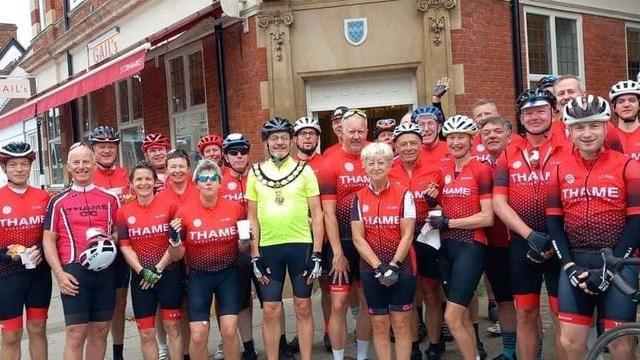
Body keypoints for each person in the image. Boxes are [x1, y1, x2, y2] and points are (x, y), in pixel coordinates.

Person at [546, 95, 640, 359]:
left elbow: (637, 222)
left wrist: (611, 269)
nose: (587, 134)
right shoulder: (557, 169)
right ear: (569, 131)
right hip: (576, 261)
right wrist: (569, 266)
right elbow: (553, 223)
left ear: (606, 126)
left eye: (594, 126)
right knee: (570, 341)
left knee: (621, 346)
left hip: (619, 261)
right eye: (579, 127)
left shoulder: (628, 166)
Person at [493, 88, 566, 360]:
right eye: (528, 112)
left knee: (562, 316)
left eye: (540, 110)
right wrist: (530, 235)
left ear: (553, 112)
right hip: (524, 244)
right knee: (525, 312)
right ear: (521, 118)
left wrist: (552, 237)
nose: (534, 117)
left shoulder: (568, 147)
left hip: (561, 243)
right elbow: (500, 203)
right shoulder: (509, 153)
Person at [246, 117, 324, 360]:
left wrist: (317, 254)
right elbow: (252, 216)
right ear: (266, 143)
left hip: (301, 245)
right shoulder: (255, 172)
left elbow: (318, 213)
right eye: (274, 138)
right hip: (269, 247)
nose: (279, 142)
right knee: (270, 309)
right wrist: (254, 254)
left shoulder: (305, 170)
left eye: (283, 138)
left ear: (291, 141)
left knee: (303, 306)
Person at [43, 142, 120, 360]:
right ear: (68, 167)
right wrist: (59, 274)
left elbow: (118, 232)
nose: (81, 166)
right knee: (75, 333)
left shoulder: (110, 198)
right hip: (74, 273)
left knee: (100, 330)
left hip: (105, 272)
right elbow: (48, 239)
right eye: (76, 162)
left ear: (94, 165)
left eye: (86, 161)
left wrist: (109, 240)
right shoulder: (58, 201)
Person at [429, 115, 493, 360]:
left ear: (471, 139)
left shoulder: (481, 169)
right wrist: (431, 201)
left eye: (461, 137)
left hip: (471, 245)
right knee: (462, 315)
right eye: (452, 137)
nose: (455, 142)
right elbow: (440, 207)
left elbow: (487, 217)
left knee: (452, 316)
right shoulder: (443, 168)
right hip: (446, 246)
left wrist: (450, 222)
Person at [168, 160, 246, 360]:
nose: (209, 182)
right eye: (203, 178)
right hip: (197, 277)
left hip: (227, 275)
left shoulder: (235, 208)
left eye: (213, 178)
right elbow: (177, 256)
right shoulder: (184, 212)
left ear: (220, 182)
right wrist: (174, 241)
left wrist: (246, 240)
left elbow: (242, 248)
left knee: (229, 330)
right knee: (198, 335)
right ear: (197, 184)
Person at [351, 142, 417, 360]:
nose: (376, 167)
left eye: (381, 162)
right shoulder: (358, 197)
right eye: (371, 163)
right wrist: (379, 267)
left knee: (400, 323)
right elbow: (358, 238)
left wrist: (394, 265)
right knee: (379, 324)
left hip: (403, 266)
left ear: (390, 165)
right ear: (364, 166)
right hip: (371, 269)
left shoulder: (404, 193)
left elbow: (408, 234)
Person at [319, 109, 373, 360]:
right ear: (341, 131)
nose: (356, 136)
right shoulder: (330, 161)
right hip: (340, 240)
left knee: (366, 302)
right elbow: (328, 213)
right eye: (351, 131)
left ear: (366, 131)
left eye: (361, 131)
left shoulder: (375, 155)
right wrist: (338, 253)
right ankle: (339, 357)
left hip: (370, 241)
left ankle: (361, 356)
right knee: (339, 303)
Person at [387, 122, 443, 360]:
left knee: (431, 291)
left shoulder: (435, 169)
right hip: (400, 238)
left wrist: (433, 201)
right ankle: (411, 345)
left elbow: (443, 207)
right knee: (407, 294)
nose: (408, 147)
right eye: (403, 143)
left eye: (413, 143)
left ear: (421, 144)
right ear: (396, 147)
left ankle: (435, 343)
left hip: (427, 235)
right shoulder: (389, 171)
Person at [117, 162, 183, 360]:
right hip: (141, 278)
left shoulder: (170, 206)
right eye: (139, 179)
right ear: (131, 183)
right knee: (146, 332)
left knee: (173, 327)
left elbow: (176, 242)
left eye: (148, 179)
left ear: (155, 182)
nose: (144, 183)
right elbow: (125, 246)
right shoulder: (124, 212)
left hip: (168, 273)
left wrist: (158, 268)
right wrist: (141, 271)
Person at [0, 142, 51, 360]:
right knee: (11, 334)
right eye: (13, 165)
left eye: (24, 164)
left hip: (38, 273)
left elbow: (52, 234)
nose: (19, 169)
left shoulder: (44, 197)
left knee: (38, 327)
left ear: (30, 166)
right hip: (6, 274)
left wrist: (41, 248)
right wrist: (4, 256)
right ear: (4, 168)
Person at [88, 125, 130, 360]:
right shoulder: (86, 174)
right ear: (93, 149)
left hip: (122, 247)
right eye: (101, 146)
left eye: (111, 146)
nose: (106, 150)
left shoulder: (126, 175)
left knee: (119, 303)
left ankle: (118, 353)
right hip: (95, 248)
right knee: (98, 306)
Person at [478, 117, 518, 359]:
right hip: (493, 245)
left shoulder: (520, 162)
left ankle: (534, 353)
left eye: (497, 131)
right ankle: (510, 351)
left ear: (509, 135)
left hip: (519, 243)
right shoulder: (480, 167)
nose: (491, 136)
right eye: (486, 133)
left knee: (526, 306)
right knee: (503, 301)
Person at [218, 133, 259, 360]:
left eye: (243, 151)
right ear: (226, 156)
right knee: (243, 301)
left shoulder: (258, 175)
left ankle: (280, 344)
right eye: (233, 152)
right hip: (235, 249)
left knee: (272, 302)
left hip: (262, 244)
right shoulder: (220, 180)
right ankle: (249, 348)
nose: (239, 156)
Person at [293, 116, 332, 351]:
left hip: (323, 235)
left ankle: (329, 331)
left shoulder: (326, 163)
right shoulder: (287, 165)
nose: (308, 137)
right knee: (302, 293)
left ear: (318, 137)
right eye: (303, 133)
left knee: (326, 286)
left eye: (312, 133)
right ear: (295, 138)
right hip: (297, 237)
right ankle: (302, 335)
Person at [610, 80, 640, 160]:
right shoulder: (608, 137)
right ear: (614, 107)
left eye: (632, 100)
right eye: (621, 101)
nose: (626, 105)